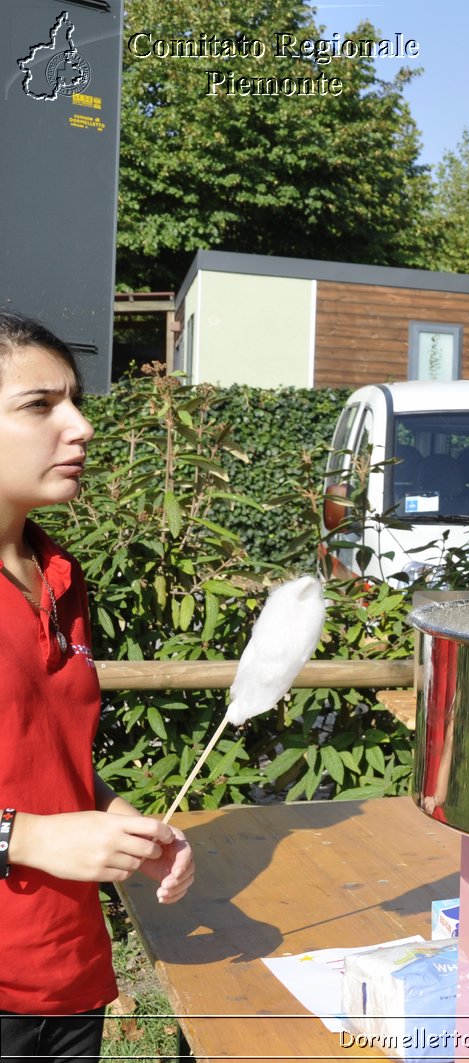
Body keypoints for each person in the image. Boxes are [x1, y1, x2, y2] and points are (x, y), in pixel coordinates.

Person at [0, 312, 195, 1061]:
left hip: (64, 972)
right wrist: (35, 836)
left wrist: (119, 817)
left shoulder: (61, 576)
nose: (79, 425)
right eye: (40, 404)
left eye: (75, 400)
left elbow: (46, 755)